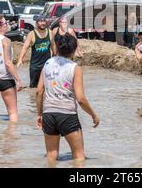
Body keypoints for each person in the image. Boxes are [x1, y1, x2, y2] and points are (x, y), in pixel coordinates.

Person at [36, 33, 99, 164]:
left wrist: (39, 114)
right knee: (79, 157)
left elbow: (39, 91)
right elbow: (80, 99)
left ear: (57, 48)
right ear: (75, 49)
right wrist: (93, 115)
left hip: (49, 114)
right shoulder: (75, 68)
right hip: (67, 115)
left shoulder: (47, 63)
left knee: (51, 157)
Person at [17, 15, 54, 88]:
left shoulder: (50, 32)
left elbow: (53, 46)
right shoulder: (32, 34)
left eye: (44, 21)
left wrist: (56, 59)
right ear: (36, 23)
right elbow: (25, 47)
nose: (42, 23)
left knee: (46, 87)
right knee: (33, 88)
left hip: (46, 65)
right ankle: (33, 99)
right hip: (35, 66)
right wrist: (20, 59)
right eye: (40, 21)